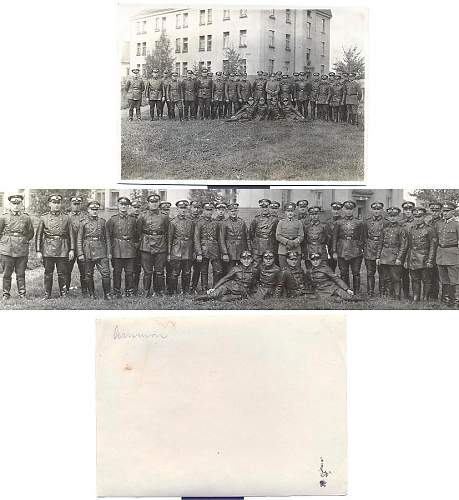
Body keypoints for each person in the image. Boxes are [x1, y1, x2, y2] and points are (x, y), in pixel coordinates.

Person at [35, 194, 76, 299]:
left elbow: (71, 235)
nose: (56, 205)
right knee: (48, 272)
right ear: (50, 204)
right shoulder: (44, 217)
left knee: (62, 272)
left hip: (63, 248)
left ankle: (63, 293)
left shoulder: (67, 218)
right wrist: (38, 251)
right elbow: (38, 235)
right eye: (54, 203)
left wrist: (72, 249)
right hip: (48, 248)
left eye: (58, 203)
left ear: (60, 204)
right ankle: (47, 294)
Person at [0, 195, 34, 299]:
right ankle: (6, 294)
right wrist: (5, 241)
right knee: (6, 274)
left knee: (21, 273)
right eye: (13, 203)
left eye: (18, 203)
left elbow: (30, 233)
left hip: (21, 249)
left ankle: (22, 294)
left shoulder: (26, 218)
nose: (16, 206)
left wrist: (22, 240)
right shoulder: (3, 217)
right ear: (10, 204)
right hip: (7, 249)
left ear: (21, 204)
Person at [77, 201, 112, 300]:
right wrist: (80, 253)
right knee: (88, 274)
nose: (94, 211)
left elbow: (107, 238)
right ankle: (91, 294)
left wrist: (109, 252)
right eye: (92, 209)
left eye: (96, 209)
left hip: (101, 249)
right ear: (88, 210)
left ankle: (107, 294)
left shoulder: (102, 222)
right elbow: (79, 239)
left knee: (106, 273)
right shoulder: (83, 223)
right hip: (88, 250)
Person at [136, 194, 169, 296]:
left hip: (161, 244)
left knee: (159, 271)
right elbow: (138, 231)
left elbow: (167, 232)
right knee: (147, 271)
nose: (154, 204)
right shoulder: (142, 216)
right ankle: (146, 291)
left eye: (156, 202)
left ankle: (160, 291)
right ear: (148, 203)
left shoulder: (164, 216)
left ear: (159, 203)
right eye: (152, 202)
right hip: (146, 245)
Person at [194, 250, 259, 302]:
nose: (246, 261)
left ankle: (235, 297)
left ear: (251, 260)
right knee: (212, 295)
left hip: (241, 291)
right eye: (244, 259)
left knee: (222, 299)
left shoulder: (255, 270)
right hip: (229, 287)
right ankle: (198, 298)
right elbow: (225, 278)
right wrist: (214, 288)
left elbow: (255, 283)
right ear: (241, 260)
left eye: (248, 259)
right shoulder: (236, 269)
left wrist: (253, 293)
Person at [107, 196, 139, 298]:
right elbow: (109, 236)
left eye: (125, 205)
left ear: (128, 206)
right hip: (117, 248)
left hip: (130, 248)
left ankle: (129, 291)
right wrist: (110, 250)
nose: (123, 207)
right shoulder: (112, 220)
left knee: (130, 272)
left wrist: (135, 245)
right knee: (117, 272)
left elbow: (137, 234)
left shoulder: (133, 220)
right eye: (121, 204)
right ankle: (117, 292)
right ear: (118, 205)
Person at [404, 207, 437, 302]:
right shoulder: (411, 229)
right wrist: (407, 259)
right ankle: (416, 297)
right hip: (413, 258)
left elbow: (432, 246)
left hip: (425, 258)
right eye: (415, 216)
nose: (417, 218)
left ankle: (425, 298)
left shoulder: (430, 229)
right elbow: (408, 246)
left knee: (426, 280)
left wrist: (430, 260)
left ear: (424, 217)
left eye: (419, 216)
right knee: (415, 279)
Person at [332, 200, 364, 294]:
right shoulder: (338, 222)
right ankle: (346, 290)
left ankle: (357, 291)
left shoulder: (359, 222)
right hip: (342, 249)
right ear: (343, 210)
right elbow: (335, 238)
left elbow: (362, 237)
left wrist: (360, 248)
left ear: (353, 210)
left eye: (350, 209)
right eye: (346, 209)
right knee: (344, 272)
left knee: (356, 272)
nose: (348, 211)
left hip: (355, 250)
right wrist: (334, 251)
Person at [376, 207, 408, 300]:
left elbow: (403, 245)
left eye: (395, 216)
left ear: (398, 217)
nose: (392, 218)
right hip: (384, 255)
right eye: (390, 216)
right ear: (388, 217)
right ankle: (390, 294)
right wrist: (378, 257)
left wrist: (399, 258)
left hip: (395, 255)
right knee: (386, 277)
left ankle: (397, 296)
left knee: (396, 278)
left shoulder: (401, 229)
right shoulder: (384, 229)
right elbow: (380, 243)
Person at [194, 202, 223, 292]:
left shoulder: (216, 223)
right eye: (207, 210)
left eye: (211, 210)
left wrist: (223, 252)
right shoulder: (199, 223)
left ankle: (215, 288)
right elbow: (196, 238)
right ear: (203, 210)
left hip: (214, 249)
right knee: (204, 270)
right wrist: (199, 252)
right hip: (203, 249)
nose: (209, 212)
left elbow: (220, 238)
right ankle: (204, 288)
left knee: (217, 270)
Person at [435, 201, 459, 308]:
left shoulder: (457, 224)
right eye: (444, 211)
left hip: (453, 254)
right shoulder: (439, 224)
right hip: (441, 254)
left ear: (453, 212)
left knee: (454, 279)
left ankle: (456, 301)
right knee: (444, 278)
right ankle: (446, 299)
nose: (445, 213)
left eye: (447, 211)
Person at [167, 200, 195, 294]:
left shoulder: (191, 222)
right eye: (181, 208)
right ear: (177, 209)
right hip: (176, 249)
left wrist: (194, 251)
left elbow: (193, 237)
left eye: (185, 208)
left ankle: (185, 290)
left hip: (188, 249)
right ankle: (173, 291)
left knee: (187, 271)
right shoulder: (173, 222)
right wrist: (169, 252)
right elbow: (169, 238)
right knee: (175, 272)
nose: (183, 210)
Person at [363, 202, 385, 297]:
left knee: (382, 272)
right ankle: (370, 291)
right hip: (370, 248)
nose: (376, 211)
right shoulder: (366, 222)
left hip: (382, 248)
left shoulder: (386, 222)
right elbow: (364, 236)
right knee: (370, 272)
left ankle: (382, 291)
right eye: (374, 209)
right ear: (371, 210)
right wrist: (365, 247)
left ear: (381, 210)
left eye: (378, 209)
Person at [67, 196, 87, 296]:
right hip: (68, 247)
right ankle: (65, 290)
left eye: (78, 204)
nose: (76, 206)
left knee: (84, 270)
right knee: (67, 270)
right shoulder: (66, 216)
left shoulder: (85, 216)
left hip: (82, 247)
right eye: (74, 204)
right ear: (70, 205)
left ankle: (85, 290)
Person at [219, 203, 249, 270]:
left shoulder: (242, 222)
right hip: (230, 251)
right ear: (228, 212)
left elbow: (247, 237)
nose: (233, 213)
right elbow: (221, 239)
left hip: (241, 250)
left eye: (235, 211)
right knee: (230, 271)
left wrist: (248, 250)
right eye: (231, 211)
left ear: (237, 211)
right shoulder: (224, 223)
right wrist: (225, 253)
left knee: (242, 270)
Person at [249, 199, 278, 264]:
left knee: (270, 264)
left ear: (269, 207)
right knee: (256, 265)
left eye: (266, 207)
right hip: (258, 247)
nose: (265, 209)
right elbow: (251, 233)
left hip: (270, 246)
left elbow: (277, 234)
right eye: (263, 207)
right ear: (260, 208)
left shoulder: (275, 220)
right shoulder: (256, 219)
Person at [275, 202, 304, 268]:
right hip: (283, 249)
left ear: (294, 212)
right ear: (285, 212)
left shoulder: (299, 222)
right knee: (284, 269)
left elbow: (301, 236)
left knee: (296, 269)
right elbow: (278, 236)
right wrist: (287, 242)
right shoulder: (281, 222)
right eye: (288, 211)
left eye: (292, 211)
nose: (290, 213)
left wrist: (294, 242)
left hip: (295, 248)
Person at [425, 201, 443, 299]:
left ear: (440, 211)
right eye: (433, 210)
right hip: (428, 250)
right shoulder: (428, 223)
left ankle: (438, 294)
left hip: (439, 250)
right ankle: (431, 294)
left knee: (438, 274)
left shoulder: (442, 222)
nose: (434, 213)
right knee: (429, 273)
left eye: (437, 210)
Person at [400, 201, 416, 299]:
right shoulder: (401, 223)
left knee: (415, 275)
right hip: (402, 251)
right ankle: (406, 294)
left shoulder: (418, 222)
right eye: (406, 209)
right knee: (403, 274)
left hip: (414, 251)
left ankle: (416, 295)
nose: (408, 211)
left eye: (410, 209)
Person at [188, 200, 202, 293]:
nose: (196, 210)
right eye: (194, 207)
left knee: (197, 269)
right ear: (190, 207)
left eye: (198, 207)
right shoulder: (186, 218)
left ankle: (193, 287)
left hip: (199, 248)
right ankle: (186, 286)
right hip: (187, 247)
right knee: (186, 268)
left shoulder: (201, 220)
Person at [130, 199, 143, 295]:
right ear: (131, 208)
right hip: (129, 247)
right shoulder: (129, 218)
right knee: (130, 268)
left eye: (138, 207)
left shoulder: (142, 218)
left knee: (137, 268)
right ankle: (130, 288)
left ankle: (135, 289)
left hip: (141, 246)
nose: (136, 209)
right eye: (134, 207)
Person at [325, 201, 342, 272]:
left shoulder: (343, 221)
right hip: (331, 248)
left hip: (342, 247)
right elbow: (327, 236)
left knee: (343, 269)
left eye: (338, 209)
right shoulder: (328, 222)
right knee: (331, 267)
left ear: (341, 210)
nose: (336, 211)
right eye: (334, 209)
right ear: (331, 210)